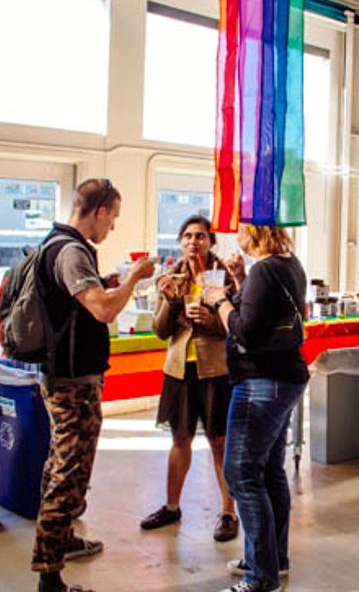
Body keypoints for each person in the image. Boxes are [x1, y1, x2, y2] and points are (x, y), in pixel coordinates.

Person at [32, 178, 155, 592]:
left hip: (64, 377)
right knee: (68, 474)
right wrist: (134, 278)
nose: (112, 227)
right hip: (72, 383)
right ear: (99, 212)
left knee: (60, 464)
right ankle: (49, 576)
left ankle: (62, 540)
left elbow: (77, 302)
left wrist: (105, 280)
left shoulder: (59, 245)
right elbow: (102, 310)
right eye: (113, 218)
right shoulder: (70, 251)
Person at [204, 224, 309, 592]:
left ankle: (262, 578)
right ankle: (272, 560)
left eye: (241, 231)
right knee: (268, 472)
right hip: (284, 377)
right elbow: (266, 312)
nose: (236, 238)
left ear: (254, 233)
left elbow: (246, 332)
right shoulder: (287, 263)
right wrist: (239, 279)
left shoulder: (266, 269)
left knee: (242, 473)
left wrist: (219, 301)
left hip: (261, 382)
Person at [139, 215, 239, 542]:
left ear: (211, 241)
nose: (193, 241)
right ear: (180, 241)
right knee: (180, 439)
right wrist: (170, 300)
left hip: (216, 370)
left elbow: (237, 327)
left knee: (219, 441)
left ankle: (228, 512)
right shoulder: (172, 277)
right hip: (179, 370)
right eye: (187, 236)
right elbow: (160, 331)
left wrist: (210, 319)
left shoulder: (226, 277)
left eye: (200, 236)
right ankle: (171, 506)